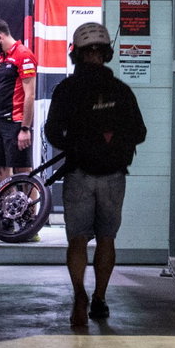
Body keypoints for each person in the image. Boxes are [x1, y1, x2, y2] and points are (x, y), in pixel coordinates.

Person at [44, 22, 147, 328]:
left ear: (76, 54)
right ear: (106, 53)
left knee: (77, 240)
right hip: (114, 175)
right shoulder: (121, 91)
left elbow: (52, 132)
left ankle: (79, 295)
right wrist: (112, 142)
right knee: (106, 238)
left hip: (78, 174)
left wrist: (76, 145)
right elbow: (139, 132)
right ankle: (100, 298)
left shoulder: (65, 90)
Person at [0, 18, 38, 184]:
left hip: (15, 121)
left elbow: (30, 95)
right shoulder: (1, 58)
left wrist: (25, 128)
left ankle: (32, 210)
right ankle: (9, 207)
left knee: (23, 171)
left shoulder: (24, 55)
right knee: (0, 167)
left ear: (0, 37)